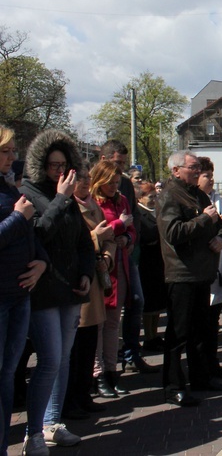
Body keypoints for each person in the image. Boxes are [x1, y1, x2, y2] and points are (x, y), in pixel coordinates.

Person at [21, 129, 96, 454]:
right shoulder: (29, 193)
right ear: (41, 165)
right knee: (50, 358)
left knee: (62, 359)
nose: (59, 171)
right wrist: (62, 198)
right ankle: (33, 433)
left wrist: (86, 273)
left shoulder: (63, 196)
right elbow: (38, 235)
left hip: (70, 290)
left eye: (64, 165)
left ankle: (52, 423)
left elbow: (82, 240)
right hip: (43, 291)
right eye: (53, 165)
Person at [156, 150, 222, 407]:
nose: (197, 171)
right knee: (179, 332)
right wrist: (202, 220)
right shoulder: (169, 195)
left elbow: (221, 224)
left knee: (201, 329)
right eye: (192, 167)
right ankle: (174, 385)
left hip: (202, 272)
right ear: (176, 170)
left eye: (198, 166)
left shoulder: (197, 194)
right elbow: (173, 232)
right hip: (182, 273)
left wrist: (221, 237)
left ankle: (201, 377)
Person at [0, 126, 48, 456]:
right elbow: (18, 224)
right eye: (6, 151)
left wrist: (41, 263)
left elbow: (29, 233)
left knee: (6, 377)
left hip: (18, 295)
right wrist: (18, 217)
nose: (13, 156)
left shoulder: (7, 186)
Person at [99, 140, 158, 374]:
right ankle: (102, 365)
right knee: (104, 311)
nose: (121, 169)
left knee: (136, 300)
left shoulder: (124, 183)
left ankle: (131, 353)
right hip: (103, 256)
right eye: (117, 163)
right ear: (104, 160)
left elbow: (133, 215)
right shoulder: (95, 182)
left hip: (127, 253)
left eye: (123, 164)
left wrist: (131, 240)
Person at [66, 163, 113, 414]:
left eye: (86, 178)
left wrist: (107, 257)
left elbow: (110, 239)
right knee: (76, 346)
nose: (84, 182)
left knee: (89, 342)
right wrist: (96, 238)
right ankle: (71, 399)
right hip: (79, 281)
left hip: (96, 277)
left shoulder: (94, 205)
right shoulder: (66, 206)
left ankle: (84, 395)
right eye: (79, 178)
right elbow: (73, 242)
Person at [90, 160, 136, 398]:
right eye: (109, 182)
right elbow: (101, 229)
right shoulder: (94, 202)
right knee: (98, 324)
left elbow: (131, 229)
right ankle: (97, 375)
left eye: (117, 182)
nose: (114, 186)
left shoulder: (122, 200)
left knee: (112, 323)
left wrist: (126, 239)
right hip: (101, 269)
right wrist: (120, 226)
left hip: (120, 266)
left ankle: (111, 371)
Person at [197, 157, 222, 382]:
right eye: (207, 176)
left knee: (213, 321)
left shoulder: (218, 200)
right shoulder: (193, 200)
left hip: (217, 264)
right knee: (200, 323)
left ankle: (213, 363)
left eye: (212, 175)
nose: (211, 180)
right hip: (200, 268)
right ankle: (202, 367)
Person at [135, 182, 167, 352]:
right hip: (146, 263)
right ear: (140, 198)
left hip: (158, 262)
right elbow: (145, 235)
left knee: (158, 303)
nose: (154, 199)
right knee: (149, 304)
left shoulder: (157, 212)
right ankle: (148, 336)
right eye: (150, 197)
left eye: (155, 196)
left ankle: (155, 335)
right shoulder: (139, 214)